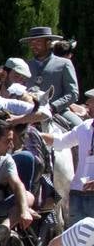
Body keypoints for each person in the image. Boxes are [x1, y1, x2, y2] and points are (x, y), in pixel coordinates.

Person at [51, 90, 94, 225]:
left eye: (92, 100)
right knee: (76, 241)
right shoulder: (84, 127)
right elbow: (61, 142)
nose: (87, 103)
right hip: (77, 194)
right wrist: (37, 134)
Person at [25, 25, 81, 114]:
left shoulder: (64, 64)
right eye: (31, 43)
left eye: (38, 42)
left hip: (58, 111)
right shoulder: (26, 65)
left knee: (79, 126)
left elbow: (73, 93)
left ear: (48, 43)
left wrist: (53, 107)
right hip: (27, 110)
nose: (33, 46)